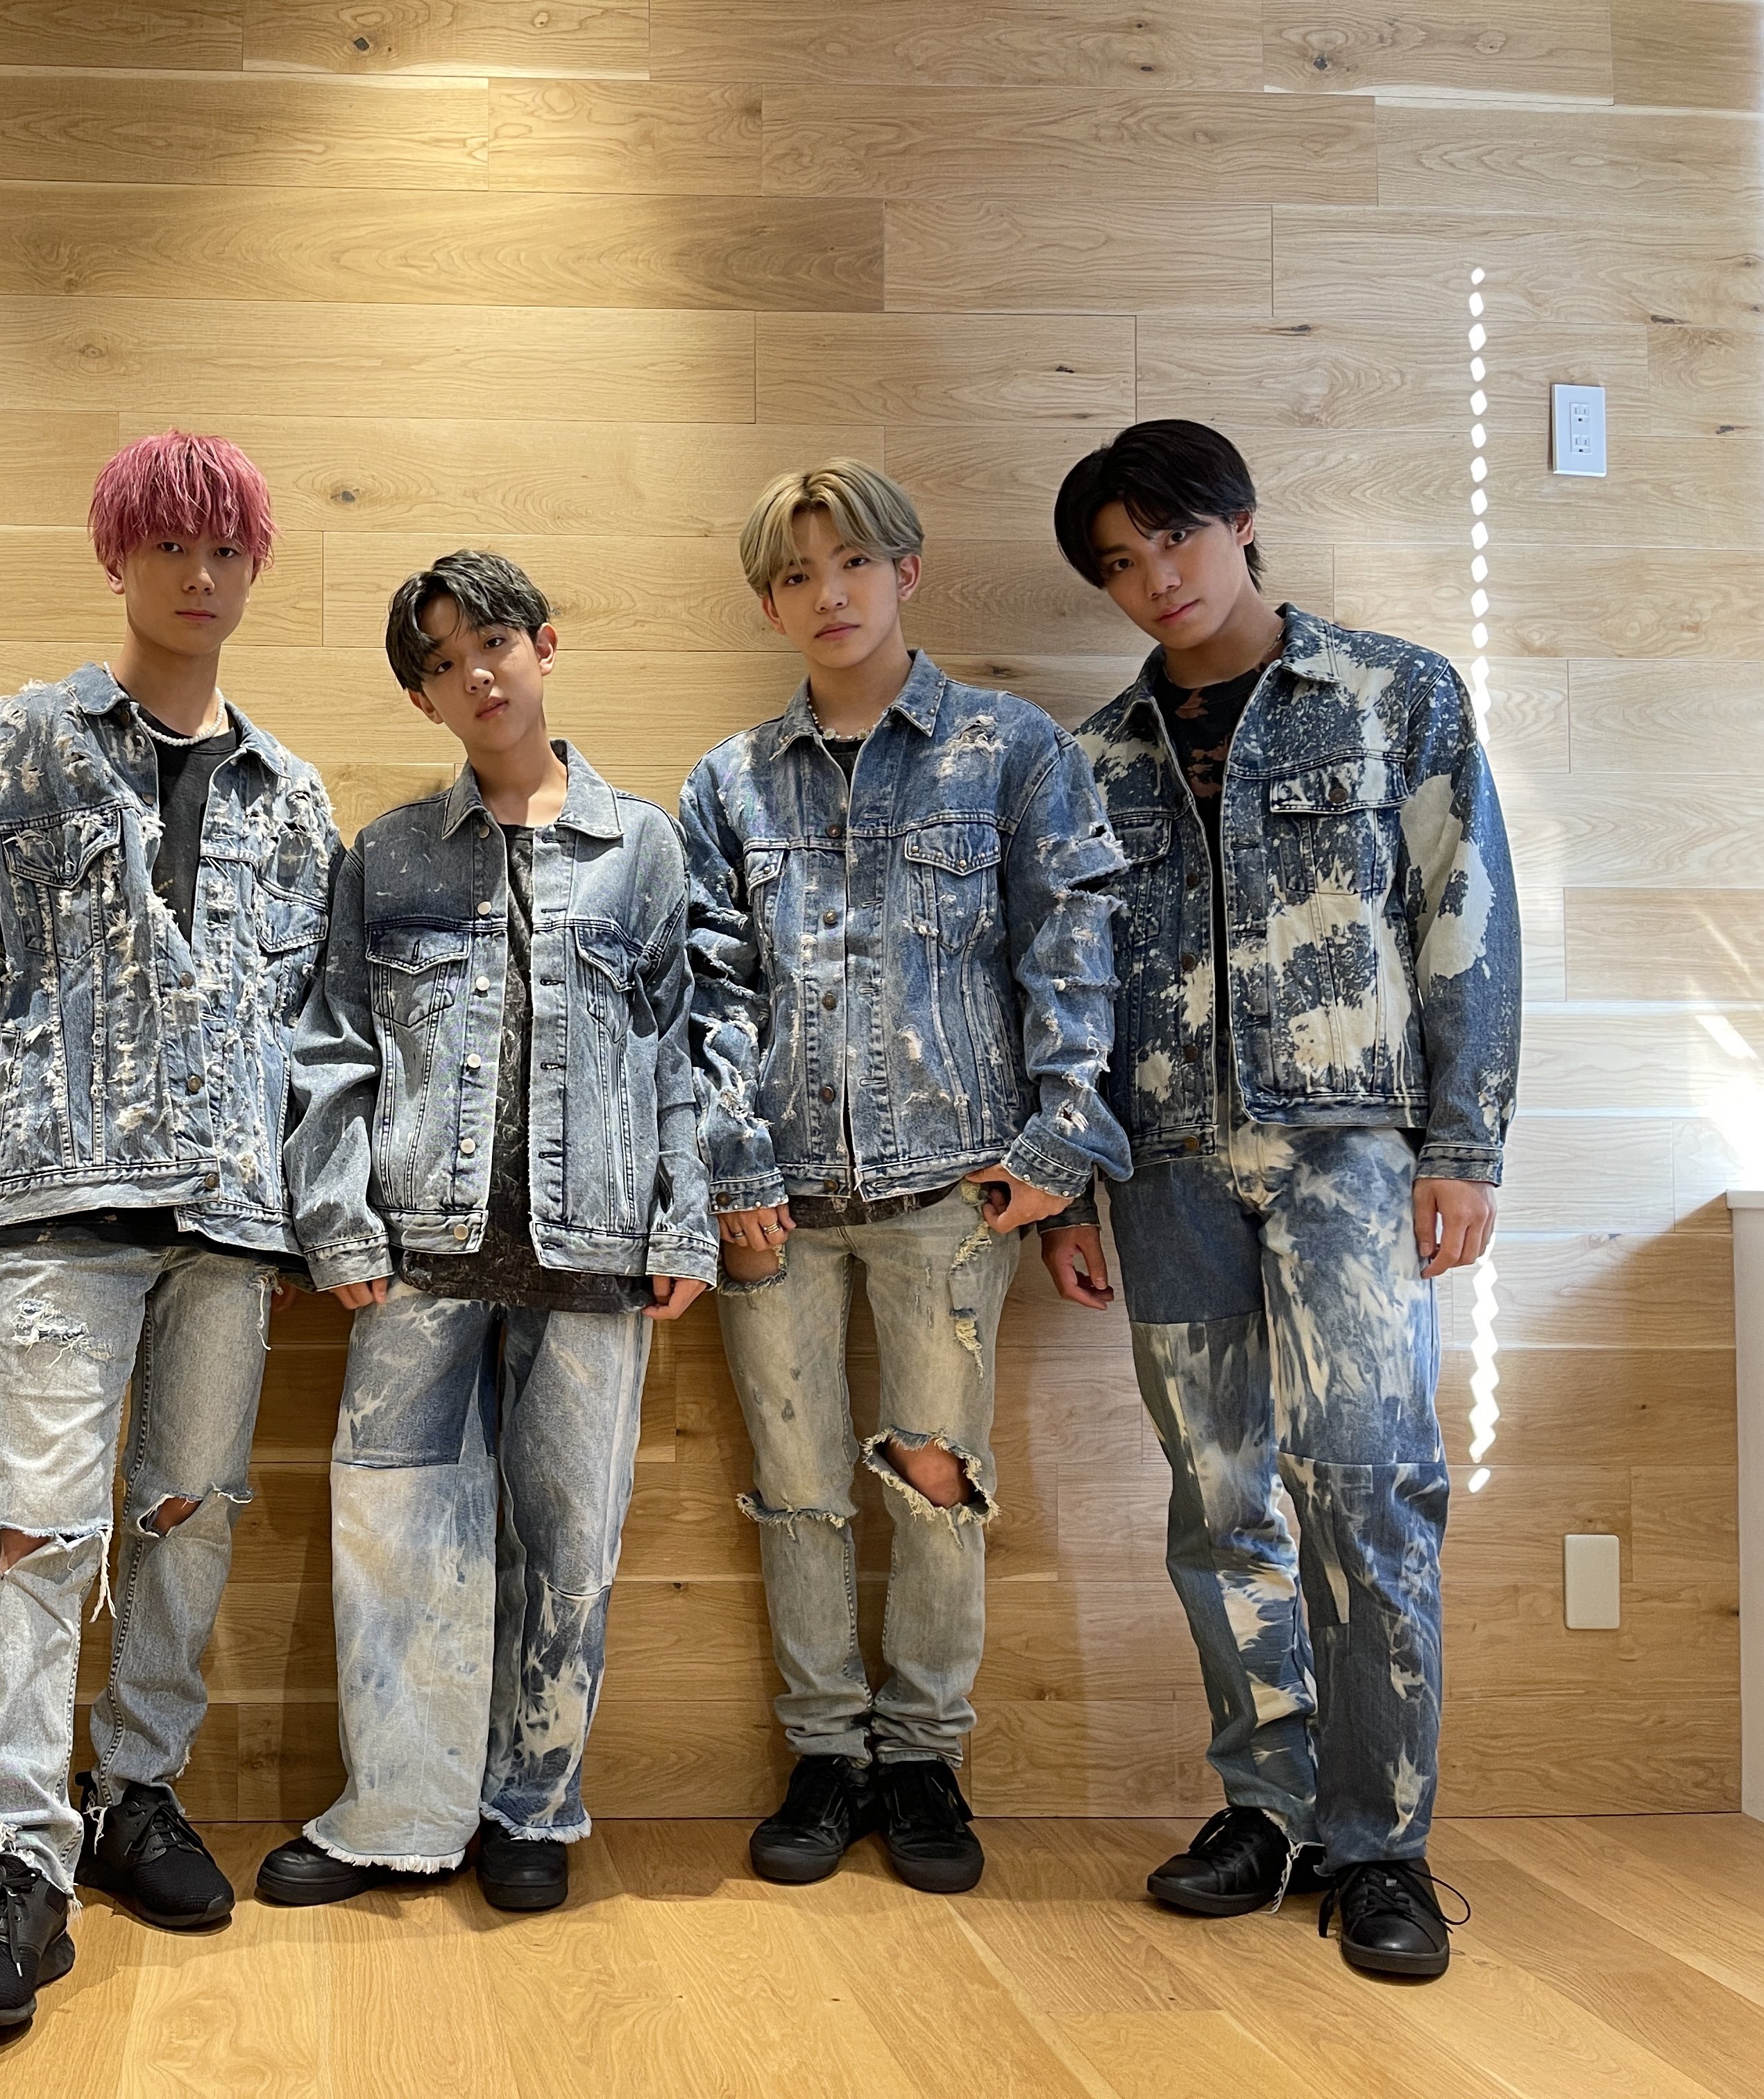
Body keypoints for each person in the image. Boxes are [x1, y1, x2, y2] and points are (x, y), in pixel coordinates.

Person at [1038, 419, 1518, 1980]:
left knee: (1369, 1487)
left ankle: (1380, 1847)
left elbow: (1464, 918)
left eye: (1173, 538)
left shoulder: (1394, 696)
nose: (1154, 580)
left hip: (1352, 1158)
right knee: (1219, 1498)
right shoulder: (1093, 763)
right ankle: (1267, 1807)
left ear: (1240, 521)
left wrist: (1465, 1145)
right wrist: (1067, 1190)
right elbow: (1072, 992)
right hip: (1166, 1170)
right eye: (1119, 563)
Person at [0, 431, 341, 2028]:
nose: (199, 575)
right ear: (119, 556)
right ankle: (17, 1857)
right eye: (169, 546)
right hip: (59, 1201)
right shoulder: (23, 743)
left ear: (254, 566)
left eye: (226, 549)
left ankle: (138, 1789)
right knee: (36, 1530)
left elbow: (319, 1025)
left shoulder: (293, 796)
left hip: (232, 1213)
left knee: (189, 1513)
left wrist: (320, 1216)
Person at [679, 462, 1130, 1896]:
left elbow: (1071, 946)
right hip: (777, 1200)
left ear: (907, 572)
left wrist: (1062, 1149)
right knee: (799, 1487)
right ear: (769, 604)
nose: (830, 594)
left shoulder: (1009, 750)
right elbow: (707, 988)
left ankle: (927, 1756)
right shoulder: (728, 784)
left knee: (936, 1479)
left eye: (854, 563)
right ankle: (827, 1753)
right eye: (796, 575)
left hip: (955, 1193)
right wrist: (732, 1156)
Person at [256, 549, 715, 1915]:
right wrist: (337, 1223)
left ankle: (534, 1807)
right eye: (446, 663)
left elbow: (683, 1048)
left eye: (495, 643)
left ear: (543, 644)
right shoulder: (390, 852)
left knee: (570, 1544)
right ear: (424, 699)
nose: (479, 674)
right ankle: (398, 1815)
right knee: (395, 1534)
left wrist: (685, 1221)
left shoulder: (643, 847)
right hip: (417, 1252)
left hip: (597, 1252)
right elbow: (334, 1049)